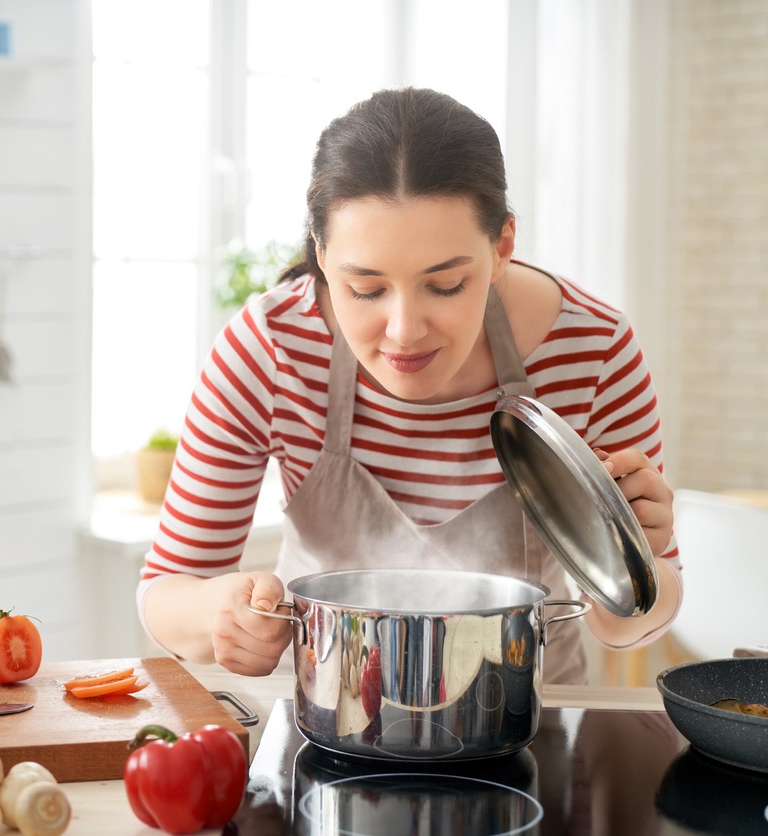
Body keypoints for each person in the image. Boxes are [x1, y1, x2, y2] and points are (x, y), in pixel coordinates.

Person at [136, 87, 681, 685]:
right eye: (365, 289)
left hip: (533, 728)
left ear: (501, 247)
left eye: (445, 284)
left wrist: (638, 560)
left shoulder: (591, 350)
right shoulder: (270, 348)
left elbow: (626, 627)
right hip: (325, 721)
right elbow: (167, 589)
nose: (403, 333)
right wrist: (222, 615)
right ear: (321, 254)